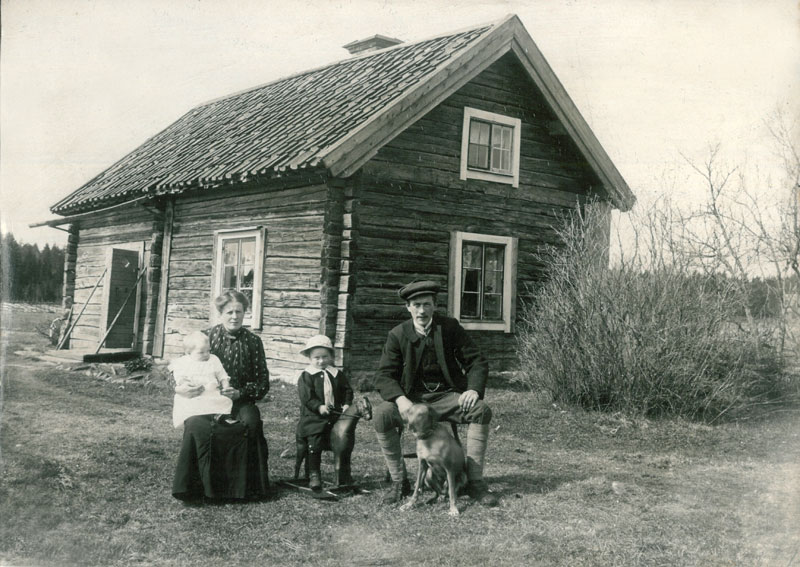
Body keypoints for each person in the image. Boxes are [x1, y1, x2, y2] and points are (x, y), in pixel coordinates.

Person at [372, 280, 498, 506]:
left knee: (480, 410)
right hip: (412, 401)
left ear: (434, 305)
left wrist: (472, 389)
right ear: (408, 307)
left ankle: (475, 482)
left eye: (427, 304)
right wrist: (400, 400)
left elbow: (477, 361)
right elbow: (383, 375)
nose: (422, 310)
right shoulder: (398, 334)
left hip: (447, 397)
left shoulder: (449, 328)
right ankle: (400, 482)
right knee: (382, 414)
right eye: (416, 304)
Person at [172, 290, 270, 501]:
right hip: (206, 400)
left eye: (239, 311)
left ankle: (250, 488)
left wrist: (240, 393)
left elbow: (263, 382)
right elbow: (181, 368)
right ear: (220, 313)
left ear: (245, 313)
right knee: (197, 425)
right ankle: (197, 487)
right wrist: (181, 388)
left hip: (240, 401)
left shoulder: (253, 342)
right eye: (229, 312)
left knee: (251, 422)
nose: (234, 316)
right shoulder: (206, 338)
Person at [295, 334, 354, 490]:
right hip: (313, 418)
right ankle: (314, 473)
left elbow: (347, 390)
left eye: (325, 357)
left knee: (344, 438)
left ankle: (343, 473)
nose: (321, 361)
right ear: (309, 357)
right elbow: (307, 397)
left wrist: (347, 403)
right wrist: (319, 406)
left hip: (334, 416)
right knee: (315, 441)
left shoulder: (336, 374)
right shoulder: (307, 376)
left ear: (331, 356)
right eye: (317, 358)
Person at [170, 331, 232, 428]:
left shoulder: (213, 359)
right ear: (188, 352)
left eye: (208, 351)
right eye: (201, 352)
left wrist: (226, 385)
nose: (206, 354)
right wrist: (184, 384)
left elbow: (222, 374)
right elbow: (179, 377)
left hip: (211, 393)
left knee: (224, 401)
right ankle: (195, 419)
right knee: (188, 403)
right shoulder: (183, 362)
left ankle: (218, 416)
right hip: (194, 393)